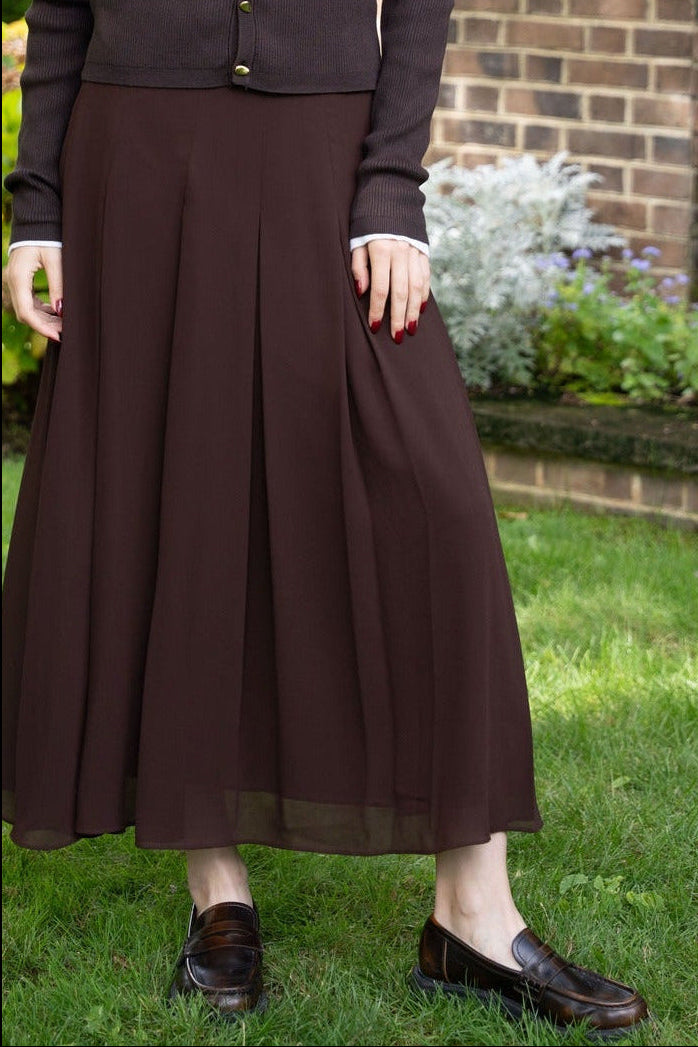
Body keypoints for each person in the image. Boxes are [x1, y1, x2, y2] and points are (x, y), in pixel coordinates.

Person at [2, 0, 648, 1038]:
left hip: (323, 147)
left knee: (429, 501)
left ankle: (472, 917)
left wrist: (389, 186)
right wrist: (38, 209)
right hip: (136, 156)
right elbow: (65, 12)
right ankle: (217, 894)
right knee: (178, 503)